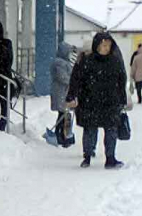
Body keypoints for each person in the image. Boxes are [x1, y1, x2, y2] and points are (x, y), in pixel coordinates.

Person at [65, 30, 128, 170]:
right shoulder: (87, 61)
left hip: (110, 102)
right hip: (90, 101)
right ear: (97, 46)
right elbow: (76, 79)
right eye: (103, 45)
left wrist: (122, 99)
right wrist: (71, 95)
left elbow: (121, 81)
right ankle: (87, 156)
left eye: (108, 45)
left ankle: (110, 158)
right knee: (90, 130)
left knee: (111, 131)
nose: (106, 48)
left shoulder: (115, 62)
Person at [48, 42, 75, 144]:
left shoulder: (63, 62)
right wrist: (72, 81)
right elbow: (62, 77)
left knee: (63, 114)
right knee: (63, 114)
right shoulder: (60, 63)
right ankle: (60, 135)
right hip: (61, 92)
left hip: (63, 91)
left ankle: (62, 134)